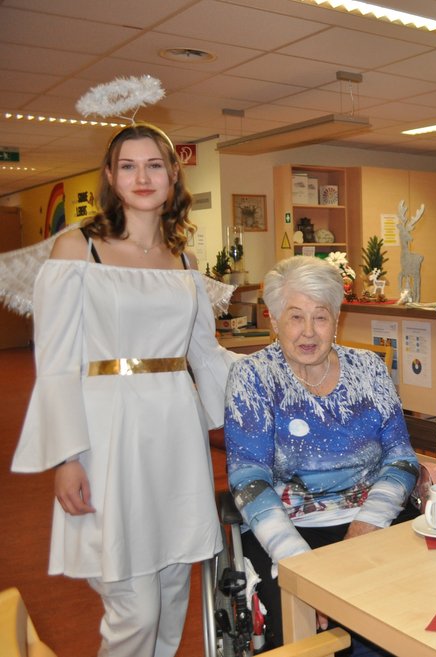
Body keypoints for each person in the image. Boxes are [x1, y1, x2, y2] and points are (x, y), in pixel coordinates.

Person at [10, 123, 237, 656]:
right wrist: (66, 456)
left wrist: (285, 369)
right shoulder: (78, 249)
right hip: (108, 435)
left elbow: (206, 355)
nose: (142, 177)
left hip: (175, 435)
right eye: (129, 166)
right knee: (135, 610)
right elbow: (57, 362)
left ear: (172, 175)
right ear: (110, 177)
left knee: (173, 594)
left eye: (154, 165)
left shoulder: (184, 261)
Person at [225, 255, 420, 651]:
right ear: (274, 320)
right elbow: (247, 479)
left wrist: (364, 529)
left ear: (337, 320)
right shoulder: (253, 376)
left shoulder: (368, 368)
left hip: (375, 521)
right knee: (304, 628)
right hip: (291, 532)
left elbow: (401, 459)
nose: (308, 332)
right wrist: (304, 568)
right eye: (295, 317)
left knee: (419, 605)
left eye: (321, 317)